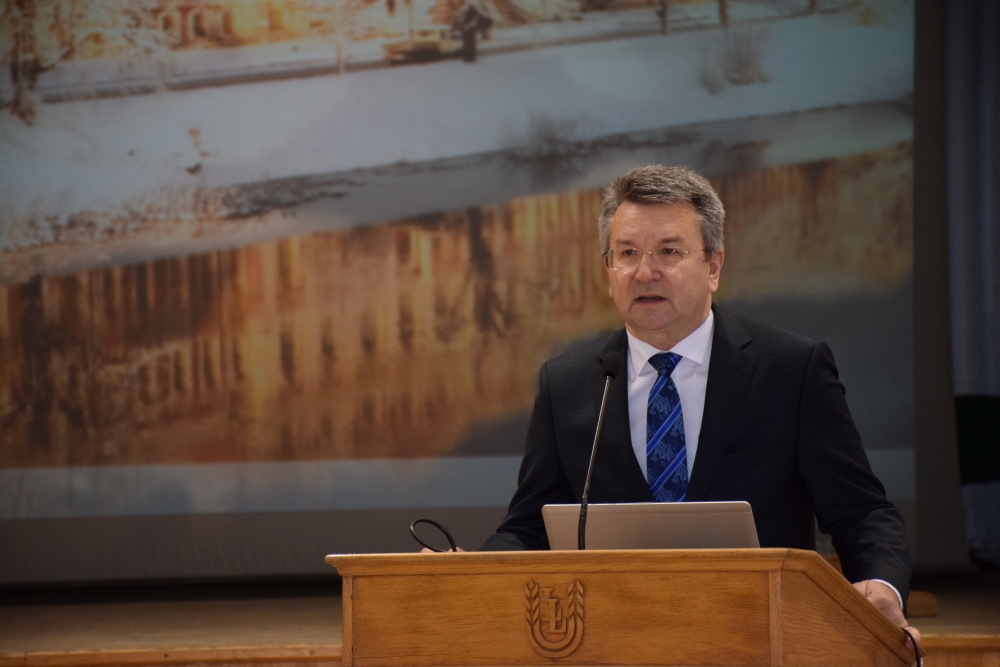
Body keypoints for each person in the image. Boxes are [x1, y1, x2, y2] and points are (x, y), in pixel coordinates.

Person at [478, 164, 919, 643]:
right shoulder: (567, 383)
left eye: (669, 251)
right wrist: (467, 570)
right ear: (609, 270)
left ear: (713, 266)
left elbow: (860, 512)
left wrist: (882, 586)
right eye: (627, 253)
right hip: (613, 640)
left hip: (760, 637)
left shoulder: (791, 370)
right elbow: (528, 529)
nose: (645, 272)